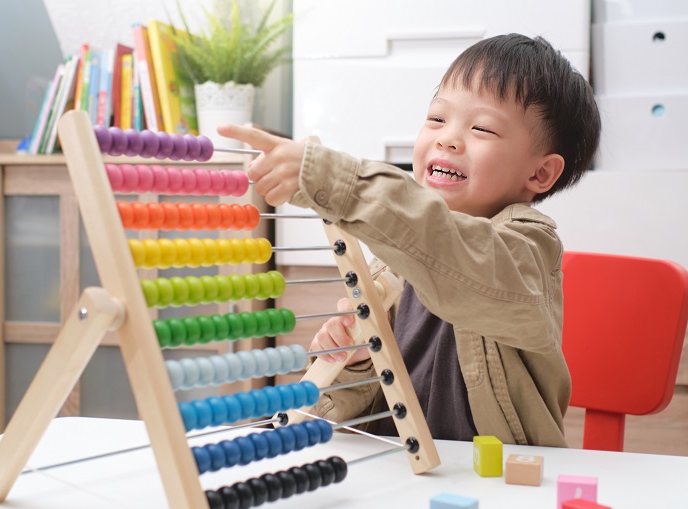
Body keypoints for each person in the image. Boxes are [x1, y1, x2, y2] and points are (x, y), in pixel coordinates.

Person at [218, 33, 601, 446]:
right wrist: (356, 364)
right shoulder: (392, 263)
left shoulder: (527, 254)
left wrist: (337, 181)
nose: (447, 138)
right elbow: (358, 410)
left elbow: (451, 249)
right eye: (437, 119)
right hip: (403, 469)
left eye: (483, 128)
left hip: (498, 479)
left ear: (540, 174)